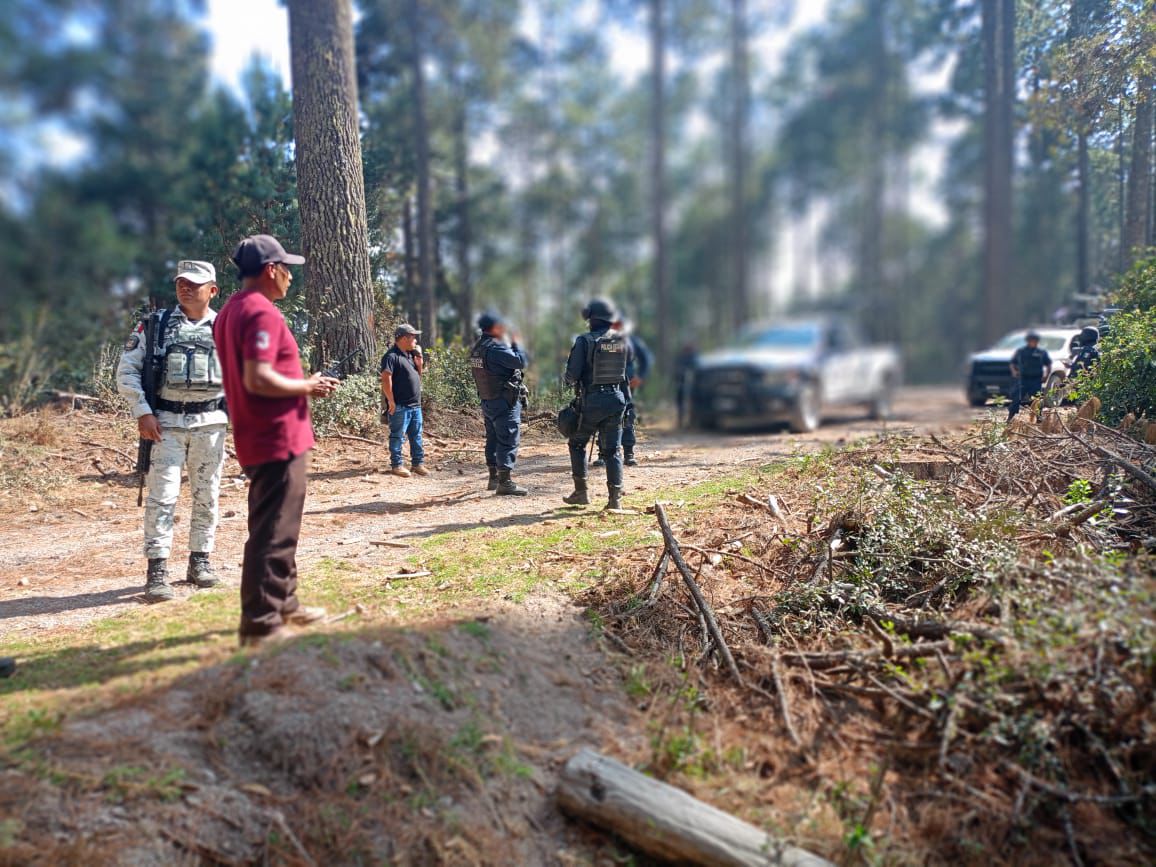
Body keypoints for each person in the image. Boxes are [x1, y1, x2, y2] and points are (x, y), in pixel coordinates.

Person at [214, 234, 339, 647]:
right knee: (273, 532)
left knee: (276, 523)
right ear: (271, 270)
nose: (290, 277)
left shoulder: (230, 310)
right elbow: (258, 377)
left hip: (256, 433)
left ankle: (285, 602)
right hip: (276, 436)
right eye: (287, 269)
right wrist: (308, 385)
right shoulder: (260, 312)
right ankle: (262, 625)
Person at [116, 260, 227, 602]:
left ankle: (200, 562)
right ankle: (157, 571)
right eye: (181, 282)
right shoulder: (155, 325)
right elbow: (127, 371)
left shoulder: (227, 327)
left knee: (207, 496)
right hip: (165, 426)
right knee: (162, 498)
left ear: (212, 290)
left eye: (194, 283)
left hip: (210, 424)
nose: (186, 288)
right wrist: (142, 412)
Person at [563, 298, 632, 510]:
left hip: (591, 401)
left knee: (576, 443)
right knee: (613, 451)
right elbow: (626, 370)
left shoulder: (584, 341)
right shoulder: (622, 341)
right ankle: (615, 501)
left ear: (592, 319)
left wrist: (568, 378)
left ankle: (581, 493)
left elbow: (572, 375)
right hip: (616, 400)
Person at [469, 311, 529, 495]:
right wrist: (518, 343)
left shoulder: (479, 346)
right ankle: (505, 482)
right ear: (495, 327)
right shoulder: (497, 347)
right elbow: (520, 361)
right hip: (504, 401)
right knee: (508, 439)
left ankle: (493, 478)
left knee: (493, 437)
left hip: (488, 399)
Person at [593, 312, 654, 468]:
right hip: (605, 385)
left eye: (618, 324)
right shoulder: (601, 339)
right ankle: (603, 454)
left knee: (627, 415)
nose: (615, 326)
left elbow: (647, 359)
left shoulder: (631, 341)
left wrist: (640, 377)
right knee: (604, 418)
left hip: (626, 384)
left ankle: (628, 453)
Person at [380, 323, 427, 478]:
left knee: (417, 435)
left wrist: (419, 357)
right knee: (397, 436)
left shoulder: (409, 355)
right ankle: (397, 465)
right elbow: (386, 378)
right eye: (413, 337)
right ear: (405, 338)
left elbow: (419, 374)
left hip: (415, 405)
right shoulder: (391, 356)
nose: (415, 340)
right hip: (400, 405)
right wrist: (391, 401)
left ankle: (417, 464)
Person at [1008, 330, 1053, 420]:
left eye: (1035, 340)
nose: (1033, 342)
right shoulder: (1021, 351)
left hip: (1036, 380)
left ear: (1037, 341)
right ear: (1028, 341)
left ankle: (1039, 417)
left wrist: (1046, 376)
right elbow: (1012, 363)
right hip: (1023, 379)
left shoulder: (1041, 352)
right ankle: (1010, 417)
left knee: (1037, 400)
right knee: (1016, 399)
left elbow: (1048, 364)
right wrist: (1014, 372)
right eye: (1031, 340)